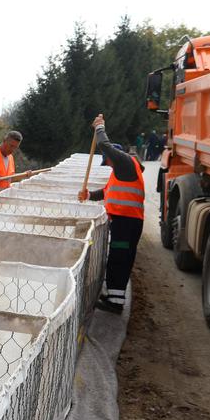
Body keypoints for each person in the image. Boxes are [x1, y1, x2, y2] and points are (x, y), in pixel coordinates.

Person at [78, 114, 144, 314]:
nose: (107, 165)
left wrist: (99, 127)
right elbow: (106, 193)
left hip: (127, 223)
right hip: (124, 223)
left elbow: (105, 145)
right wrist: (88, 195)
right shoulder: (120, 172)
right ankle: (113, 296)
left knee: (119, 259)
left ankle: (115, 303)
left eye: (107, 162)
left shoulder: (125, 163)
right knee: (117, 257)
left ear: (112, 157)